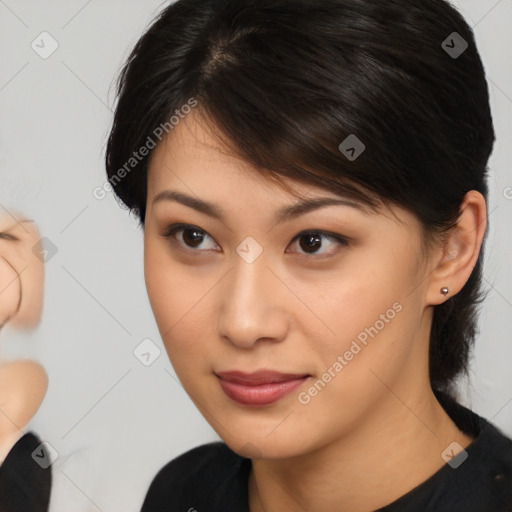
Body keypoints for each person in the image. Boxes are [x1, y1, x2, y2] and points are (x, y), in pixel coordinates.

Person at [105, 0, 512, 510]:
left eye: (313, 241)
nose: (244, 322)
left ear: (452, 249)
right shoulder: (184, 492)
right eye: (193, 236)